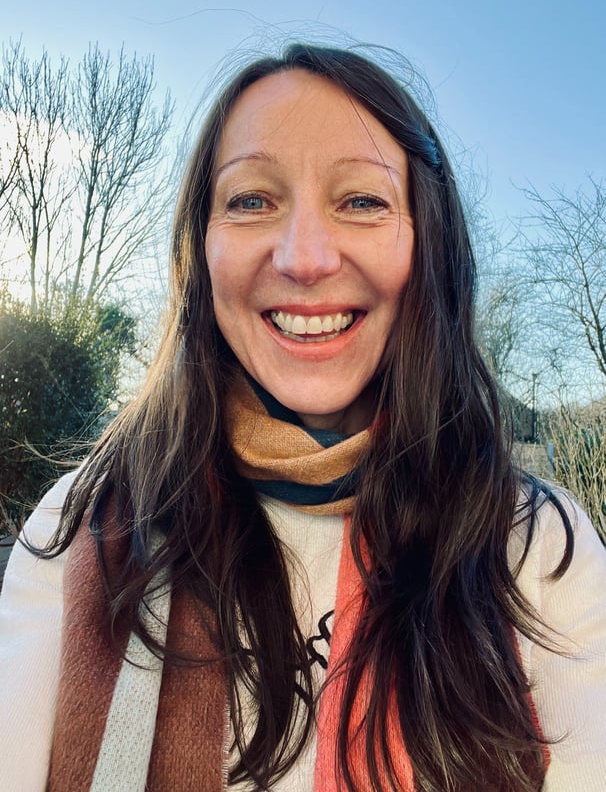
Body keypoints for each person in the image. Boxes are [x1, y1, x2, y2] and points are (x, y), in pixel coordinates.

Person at [1, 42, 605, 792]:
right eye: (252, 200)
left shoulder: (540, 547)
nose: (306, 257)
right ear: (202, 248)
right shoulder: (80, 529)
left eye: (361, 201)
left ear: (428, 242)